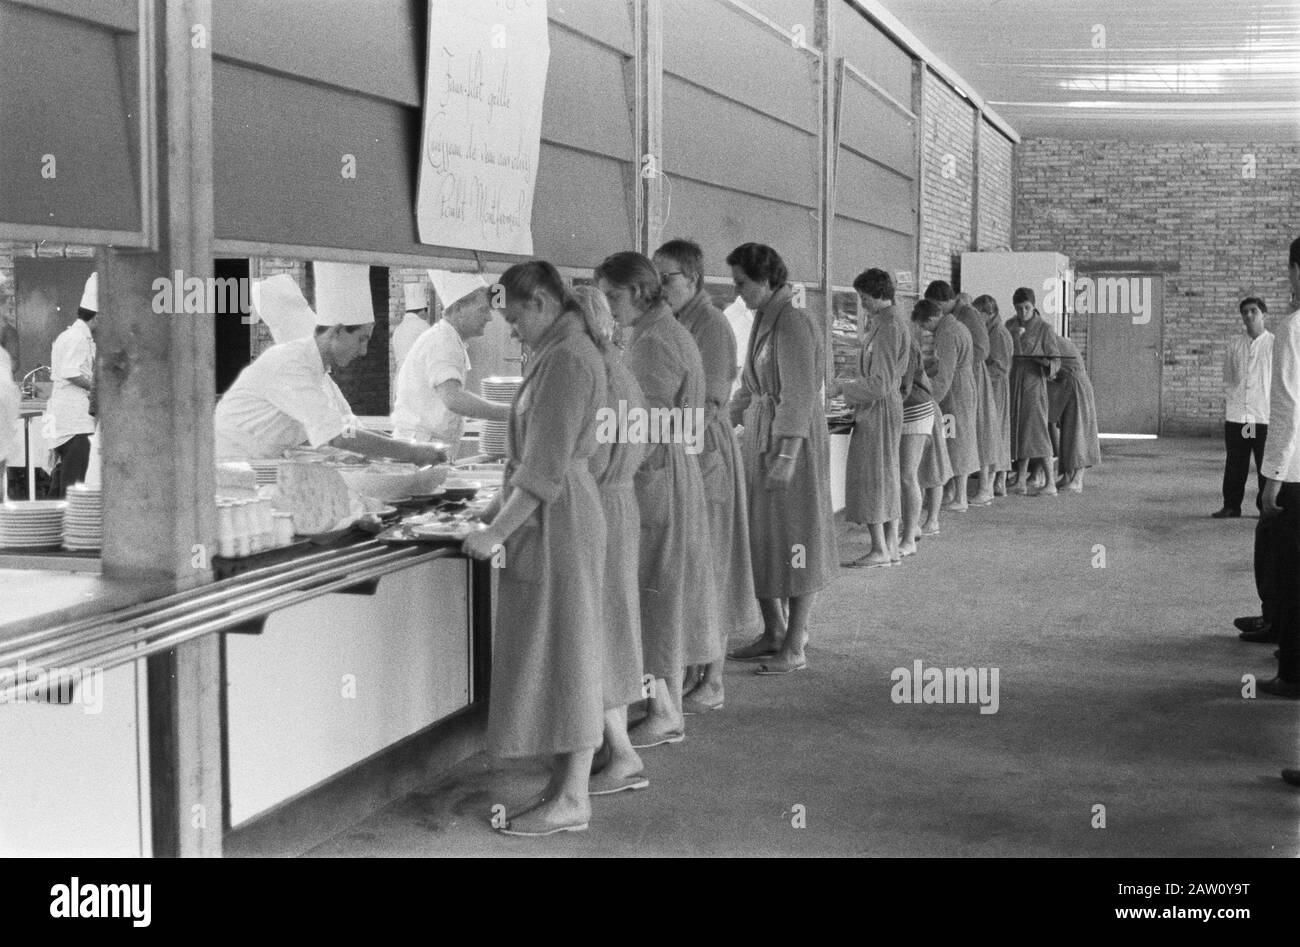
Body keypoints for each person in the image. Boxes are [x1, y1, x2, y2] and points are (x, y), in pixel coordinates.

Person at [462, 260, 608, 836]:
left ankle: (574, 799)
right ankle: (561, 785)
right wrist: (496, 513)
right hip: (554, 516)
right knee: (557, 651)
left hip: (560, 521)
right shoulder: (559, 352)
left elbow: (544, 469)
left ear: (543, 302)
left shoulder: (568, 360)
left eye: (515, 318)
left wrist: (495, 531)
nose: (512, 331)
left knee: (569, 651)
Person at [595, 250, 720, 746]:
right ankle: (662, 704)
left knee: (652, 597)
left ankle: (665, 710)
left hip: (656, 480)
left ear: (641, 291)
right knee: (658, 595)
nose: (607, 307)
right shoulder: (660, 332)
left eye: (612, 296)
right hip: (668, 475)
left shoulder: (653, 343)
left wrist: (602, 471)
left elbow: (640, 430)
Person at [653, 239, 759, 713]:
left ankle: (713, 680)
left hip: (705, 453)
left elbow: (710, 401)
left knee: (710, 565)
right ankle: (698, 669)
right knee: (694, 568)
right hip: (684, 451)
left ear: (692, 278)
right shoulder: (676, 322)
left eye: (667, 278)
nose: (659, 287)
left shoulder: (711, 326)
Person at [724, 243, 837, 674]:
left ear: (766, 282)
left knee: (796, 539)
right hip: (762, 436)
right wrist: (718, 421)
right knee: (761, 537)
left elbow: (799, 396)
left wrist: (787, 453)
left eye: (742, 284)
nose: (738, 294)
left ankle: (795, 641)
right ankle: (773, 629)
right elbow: (749, 387)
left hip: (794, 443)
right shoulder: (762, 321)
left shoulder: (792, 323)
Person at [215, 264, 445, 465]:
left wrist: (402, 447)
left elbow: (346, 428)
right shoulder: (290, 364)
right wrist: (412, 453)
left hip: (264, 465)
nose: (364, 351)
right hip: (233, 471)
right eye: (361, 339)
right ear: (336, 332)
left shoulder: (317, 370)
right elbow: (337, 435)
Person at [574, 285, 650, 795]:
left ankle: (620, 753)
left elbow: (588, 456)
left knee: (596, 632)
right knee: (615, 628)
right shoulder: (620, 369)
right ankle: (615, 747)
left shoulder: (588, 375)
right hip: (621, 504)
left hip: (599, 506)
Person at [835, 268, 909, 567]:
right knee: (884, 475)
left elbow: (880, 383)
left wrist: (843, 388)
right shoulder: (884, 323)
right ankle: (889, 547)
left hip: (878, 409)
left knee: (874, 476)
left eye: (864, 297)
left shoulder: (889, 326)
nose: (862, 303)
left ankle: (880, 548)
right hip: (878, 407)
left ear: (880, 296)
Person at [1253, 236, 1300, 702]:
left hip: (1296, 477)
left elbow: (1288, 411)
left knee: (1291, 578)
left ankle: (1292, 673)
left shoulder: (1293, 328)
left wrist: (1271, 483)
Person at [391, 286, 510, 459]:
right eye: (483, 310)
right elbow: (454, 399)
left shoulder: (448, 338)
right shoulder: (443, 340)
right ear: (458, 309)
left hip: (426, 447)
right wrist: (513, 413)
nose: (489, 317)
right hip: (420, 449)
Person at [917, 285, 979, 511]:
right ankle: (953, 492)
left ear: (934, 317)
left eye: (926, 325)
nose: (927, 331)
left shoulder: (947, 334)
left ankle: (960, 497)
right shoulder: (955, 326)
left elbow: (944, 375)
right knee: (957, 438)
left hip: (955, 393)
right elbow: (942, 364)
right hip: (962, 387)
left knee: (956, 441)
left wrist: (929, 398)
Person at [1214, 297, 1272, 517]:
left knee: (1264, 463)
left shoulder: (1274, 344)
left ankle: (1264, 507)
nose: (1249, 315)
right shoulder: (1235, 345)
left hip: (1261, 416)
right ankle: (1231, 505)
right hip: (1239, 417)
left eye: (1253, 311)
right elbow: (1228, 377)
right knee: (1235, 463)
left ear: (1262, 314)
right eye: (1245, 312)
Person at [46, 272, 98, 498]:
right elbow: (72, 372)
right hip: (74, 422)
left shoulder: (77, 336)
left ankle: (52, 525)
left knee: (62, 479)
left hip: (66, 421)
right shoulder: (76, 338)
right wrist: (97, 389)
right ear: (96, 316)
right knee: (73, 483)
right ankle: (67, 526)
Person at [1008, 287, 1060, 496]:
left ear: (1034, 305)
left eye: (1027, 308)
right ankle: (1021, 479)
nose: (1023, 312)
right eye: (1019, 308)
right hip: (1014, 383)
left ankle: (1050, 483)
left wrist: (1043, 361)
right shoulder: (1010, 325)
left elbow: (1055, 359)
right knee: (1020, 431)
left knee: (1037, 431)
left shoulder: (1044, 329)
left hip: (1033, 384)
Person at [952, 290, 999, 505]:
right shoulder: (965, 318)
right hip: (972, 377)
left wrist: (962, 364)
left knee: (979, 432)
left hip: (973, 378)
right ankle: (982, 488)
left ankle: (983, 488)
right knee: (976, 431)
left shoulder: (967, 316)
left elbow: (982, 350)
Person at [1047, 334, 1101, 492]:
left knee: (1079, 431)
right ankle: (1068, 475)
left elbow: (1052, 366)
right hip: (1069, 384)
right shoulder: (1053, 339)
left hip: (1077, 387)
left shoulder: (1047, 338)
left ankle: (1078, 479)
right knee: (1068, 433)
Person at [898, 321, 934, 554]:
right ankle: (913, 529)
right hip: (908, 410)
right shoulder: (899, 339)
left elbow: (904, 387)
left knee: (908, 475)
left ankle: (909, 539)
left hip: (915, 410)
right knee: (906, 475)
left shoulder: (906, 345)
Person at [975, 294, 1013, 496]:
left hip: (995, 388)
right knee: (996, 433)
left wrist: (979, 375)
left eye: (978, 314)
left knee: (992, 433)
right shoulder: (991, 330)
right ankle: (998, 481)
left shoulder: (998, 333)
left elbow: (1001, 367)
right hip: (992, 387)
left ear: (989, 313)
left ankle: (989, 484)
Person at [391, 282, 431, 371]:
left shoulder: (398, 329)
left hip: (399, 378)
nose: (426, 317)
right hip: (414, 377)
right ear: (423, 311)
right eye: (426, 313)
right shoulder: (422, 325)